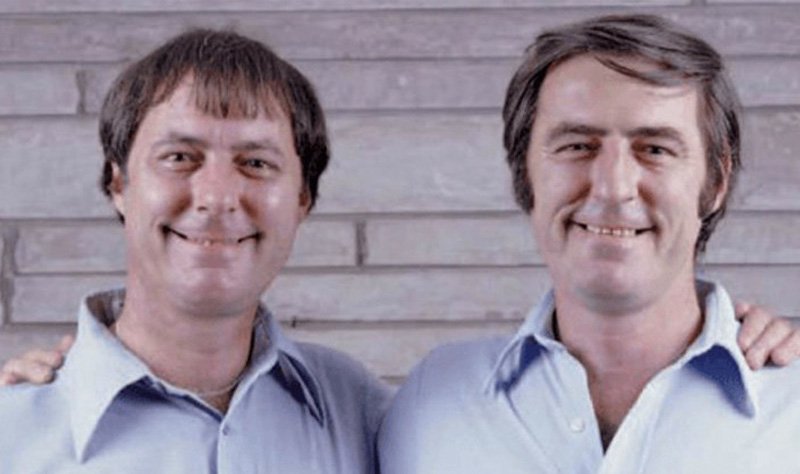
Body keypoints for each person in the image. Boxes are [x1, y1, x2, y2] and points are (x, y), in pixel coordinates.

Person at [378, 14, 800, 473]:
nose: (613, 187)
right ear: (524, 174)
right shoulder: (428, 405)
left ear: (716, 181)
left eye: (655, 149)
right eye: (577, 146)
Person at [0, 29, 389, 473]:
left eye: (256, 163)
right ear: (119, 183)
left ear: (303, 198)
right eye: (180, 157)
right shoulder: (11, 434)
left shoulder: (368, 418)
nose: (217, 197)